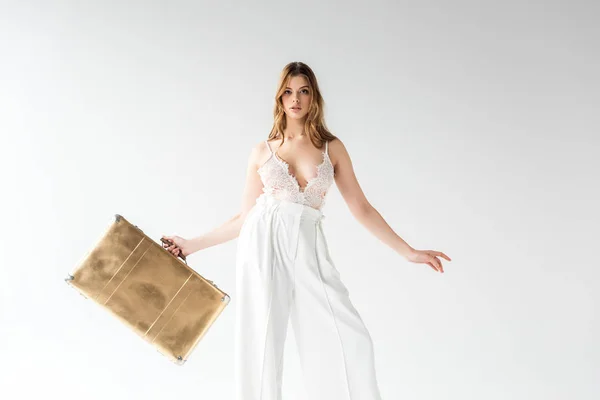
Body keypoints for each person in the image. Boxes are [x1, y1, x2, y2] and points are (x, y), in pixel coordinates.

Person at [162, 61, 451, 400]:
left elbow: (361, 207)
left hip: (308, 243)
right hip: (263, 240)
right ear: (279, 98)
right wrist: (191, 245)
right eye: (288, 92)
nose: (295, 99)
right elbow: (244, 217)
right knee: (262, 340)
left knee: (349, 336)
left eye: (303, 91)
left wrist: (409, 251)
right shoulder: (262, 151)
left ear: (314, 97)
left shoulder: (332, 148)